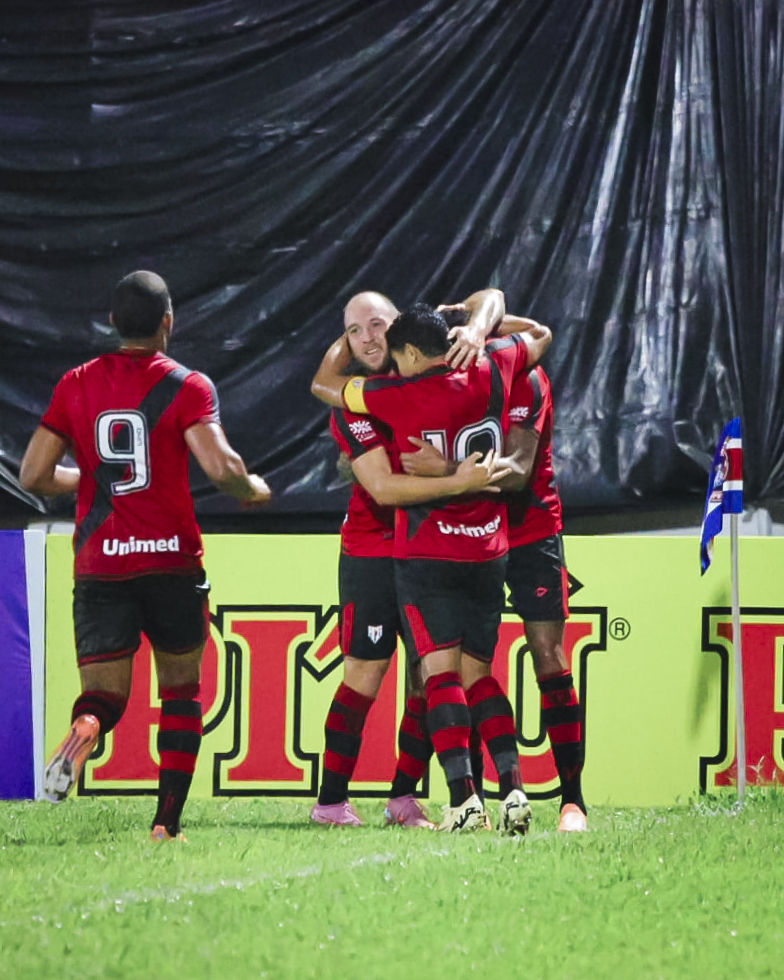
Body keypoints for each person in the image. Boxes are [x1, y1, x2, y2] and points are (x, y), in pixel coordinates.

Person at [20, 270, 272, 841]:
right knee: (181, 691)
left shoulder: (76, 383)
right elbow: (222, 467)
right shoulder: (187, 386)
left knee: (105, 697)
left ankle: (86, 727)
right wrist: (252, 488)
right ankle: (165, 825)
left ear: (112, 322)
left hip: (101, 564)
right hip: (171, 562)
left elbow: (32, 474)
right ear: (168, 323)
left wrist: (90, 480)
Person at [311, 303, 551, 833]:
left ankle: (408, 796)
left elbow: (325, 383)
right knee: (368, 675)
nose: (367, 338)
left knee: (432, 681)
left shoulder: (398, 388)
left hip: (427, 547)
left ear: (403, 335)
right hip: (377, 550)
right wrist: (458, 479)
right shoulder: (365, 401)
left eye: (377, 325)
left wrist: (476, 324)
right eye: (353, 331)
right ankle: (331, 800)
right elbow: (382, 487)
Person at [401, 315, 588, 833]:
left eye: (468, 332)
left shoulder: (523, 375)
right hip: (472, 534)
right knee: (460, 668)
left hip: (530, 529)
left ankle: (572, 801)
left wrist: (445, 471)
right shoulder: (450, 380)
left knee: (548, 655)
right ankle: (474, 798)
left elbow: (519, 471)